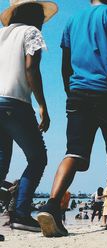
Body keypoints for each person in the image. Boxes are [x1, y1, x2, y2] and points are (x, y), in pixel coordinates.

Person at [37, 0, 107, 237]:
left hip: (77, 93)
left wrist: (69, 91)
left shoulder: (72, 21)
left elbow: (65, 65)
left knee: (74, 153)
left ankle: (52, 204)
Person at [0, 0, 57, 232]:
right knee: (37, 159)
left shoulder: (2, 33)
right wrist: (42, 105)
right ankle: (21, 214)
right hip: (16, 102)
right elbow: (31, 68)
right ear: (35, 14)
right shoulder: (30, 32)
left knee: (2, 162)